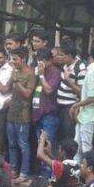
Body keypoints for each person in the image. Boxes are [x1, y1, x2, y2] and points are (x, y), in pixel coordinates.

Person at [7, 48, 36, 182]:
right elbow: (8, 88)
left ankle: (23, 173)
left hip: (23, 114)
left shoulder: (30, 74)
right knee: (12, 144)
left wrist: (17, 81)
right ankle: (13, 170)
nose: (14, 62)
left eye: (16, 59)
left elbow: (27, 94)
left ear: (23, 59)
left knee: (23, 144)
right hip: (12, 113)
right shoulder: (15, 72)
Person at [32, 50, 62, 178]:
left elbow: (49, 90)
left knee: (47, 146)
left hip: (49, 115)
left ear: (49, 61)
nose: (41, 64)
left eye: (43, 61)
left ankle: (49, 175)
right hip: (37, 115)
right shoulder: (38, 72)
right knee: (40, 145)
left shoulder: (55, 72)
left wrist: (42, 75)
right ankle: (42, 174)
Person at [70, 43, 94, 157]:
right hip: (85, 114)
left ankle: (85, 171)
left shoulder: (93, 71)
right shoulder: (93, 70)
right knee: (78, 146)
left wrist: (76, 105)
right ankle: (77, 171)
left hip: (89, 114)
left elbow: (92, 98)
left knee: (85, 147)